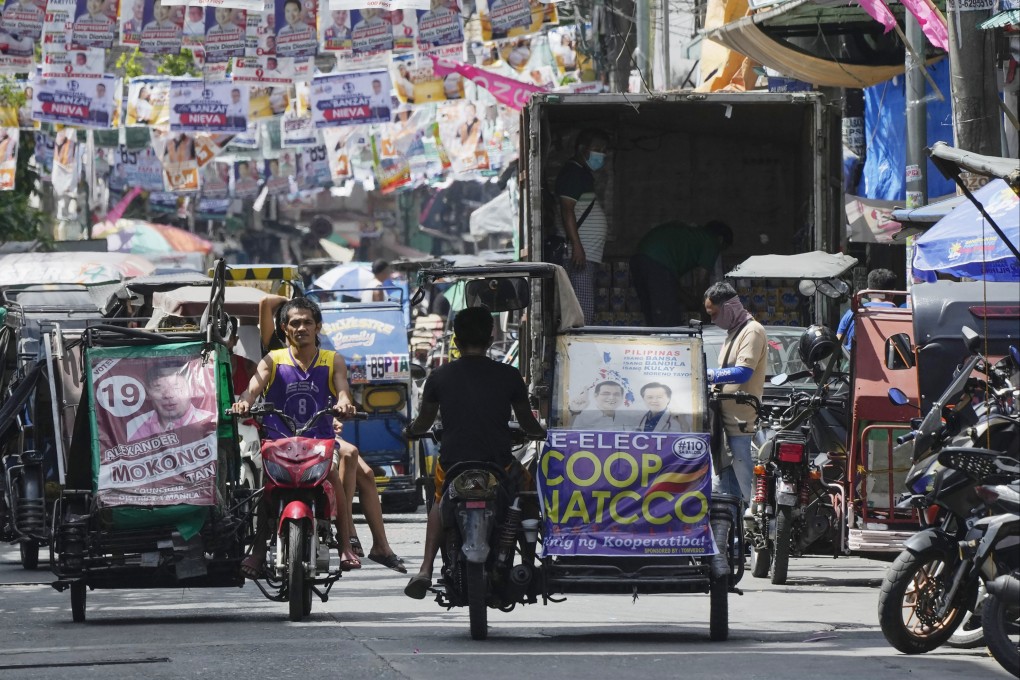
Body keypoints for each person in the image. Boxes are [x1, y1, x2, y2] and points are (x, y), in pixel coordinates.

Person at [403, 306, 545, 598]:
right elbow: (529, 424)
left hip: (454, 465)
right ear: (491, 339)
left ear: (455, 340)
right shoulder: (509, 375)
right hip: (500, 465)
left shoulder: (439, 377)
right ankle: (529, 563)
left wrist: (412, 431)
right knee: (529, 495)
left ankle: (426, 569)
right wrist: (541, 432)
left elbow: (424, 422)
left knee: (439, 503)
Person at [231, 297, 362, 576]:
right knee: (267, 488)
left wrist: (344, 402)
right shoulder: (273, 359)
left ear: (318, 327)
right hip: (278, 441)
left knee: (333, 477)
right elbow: (253, 388)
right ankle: (257, 549)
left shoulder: (331, 360)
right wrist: (244, 401)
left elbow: (342, 390)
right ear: (284, 328)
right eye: (294, 323)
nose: (301, 327)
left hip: (319, 441)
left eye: (307, 322)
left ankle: (345, 544)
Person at [703, 281, 767, 504]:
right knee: (725, 494)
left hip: (741, 426)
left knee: (749, 494)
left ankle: (756, 538)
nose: (713, 320)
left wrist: (709, 375)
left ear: (729, 308)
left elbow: (742, 373)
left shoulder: (752, 331)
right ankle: (733, 539)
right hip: (723, 425)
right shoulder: (733, 332)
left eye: (715, 313)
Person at [332, 418, 406, 572]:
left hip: (324, 432)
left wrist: (339, 411)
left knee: (367, 473)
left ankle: (381, 547)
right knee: (349, 453)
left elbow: (343, 396)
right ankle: (348, 530)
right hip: (293, 435)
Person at [553, 128, 610, 324]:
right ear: (582, 149)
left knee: (583, 302)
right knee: (582, 308)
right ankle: (581, 340)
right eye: (596, 148)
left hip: (584, 252)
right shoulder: (573, 173)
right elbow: (567, 210)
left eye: (603, 149)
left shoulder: (581, 173)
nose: (600, 153)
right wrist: (577, 246)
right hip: (578, 253)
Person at [630, 220, 734, 327]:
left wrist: (688, 299)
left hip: (638, 258)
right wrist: (705, 309)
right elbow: (702, 282)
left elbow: (671, 284)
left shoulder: (690, 238)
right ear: (721, 240)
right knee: (668, 321)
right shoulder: (711, 241)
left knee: (653, 315)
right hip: (656, 261)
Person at [127, 363, 216, 441]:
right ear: (148, 393)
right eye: (159, 388)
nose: (168, 395)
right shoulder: (135, 426)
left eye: (176, 387)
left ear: (190, 390)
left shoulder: (210, 422)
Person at [836, 268, 898, 350]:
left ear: (868, 291)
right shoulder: (901, 315)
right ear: (893, 293)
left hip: (854, 361)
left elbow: (838, 343)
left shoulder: (852, 313)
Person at [568, 380, 634, 430]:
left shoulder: (628, 419)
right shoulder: (581, 417)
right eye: (606, 393)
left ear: (622, 397)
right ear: (595, 395)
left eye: (616, 394)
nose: (612, 398)